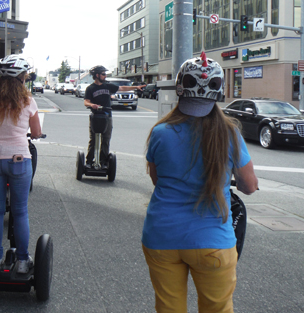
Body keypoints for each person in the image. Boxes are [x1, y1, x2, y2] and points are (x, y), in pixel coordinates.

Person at [142, 52, 258, 313]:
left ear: (180, 90)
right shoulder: (230, 133)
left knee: (169, 308)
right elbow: (249, 186)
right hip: (213, 241)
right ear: (217, 95)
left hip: (162, 236)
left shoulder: (160, 132)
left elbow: (156, 179)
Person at [0, 55, 43, 273]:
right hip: (18, 159)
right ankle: (23, 261)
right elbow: (35, 132)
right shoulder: (28, 101)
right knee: (19, 212)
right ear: (21, 77)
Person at [83, 65, 146, 166]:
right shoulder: (90, 88)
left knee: (106, 139)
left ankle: (103, 161)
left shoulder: (108, 86)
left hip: (107, 116)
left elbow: (121, 88)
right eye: (103, 74)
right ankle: (89, 161)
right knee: (94, 139)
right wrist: (92, 105)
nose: (105, 76)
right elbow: (86, 102)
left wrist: (135, 87)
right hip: (95, 117)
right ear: (97, 75)